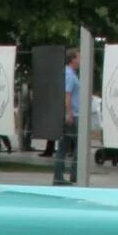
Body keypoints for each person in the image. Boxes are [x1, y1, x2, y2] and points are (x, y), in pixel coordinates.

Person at [52, 51, 79, 184]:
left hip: (70, 113)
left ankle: (59, 176)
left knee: (63, 146)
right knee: (79, 145)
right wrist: (69, 113)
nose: (81, 60)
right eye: (79, 57)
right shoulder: (69, 75)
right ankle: (74, 174)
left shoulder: (70, 74)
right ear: (72, 59)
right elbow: (67, 95)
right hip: (72, 114)